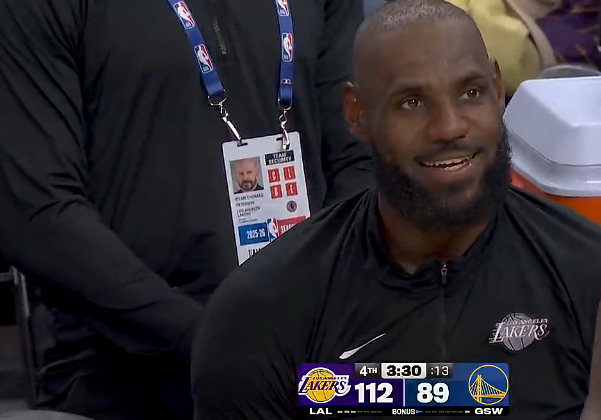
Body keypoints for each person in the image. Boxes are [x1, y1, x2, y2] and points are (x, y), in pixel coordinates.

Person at [190, 0, 601, 419]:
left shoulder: (587, 275)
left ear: (498, 91)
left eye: (471, 93)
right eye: (411, 102)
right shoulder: (262, 313)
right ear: (357, 113)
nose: (449, 126)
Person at [0, 0, 372, 418]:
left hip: (313, 355)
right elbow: (36, 209)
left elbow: (360, 158)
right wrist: (212, 342)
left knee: (428, 390)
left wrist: (322, 311)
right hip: (128, 368)